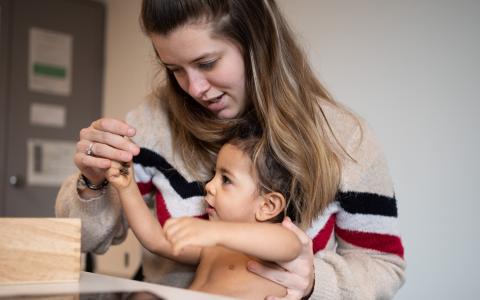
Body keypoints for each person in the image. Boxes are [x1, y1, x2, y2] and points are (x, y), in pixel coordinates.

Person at [55, 0, 406, 298]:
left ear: (257, 42)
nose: (194, 88)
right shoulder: (150, 124)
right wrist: (98, 181)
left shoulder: (346, 140)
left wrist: (315, 283)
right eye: (174, 69)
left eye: (207, 63)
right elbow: (88, 241)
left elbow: (381, 265)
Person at [106, 123, 304, 299]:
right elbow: (156, 240)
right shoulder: (212, 247)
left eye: (226, 180)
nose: (209, 186)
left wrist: (214, 232)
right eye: (214, 176)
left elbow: (291, 245)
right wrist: (127, 186)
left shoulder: (276, 243)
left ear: (267, 206)